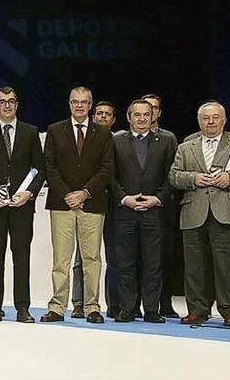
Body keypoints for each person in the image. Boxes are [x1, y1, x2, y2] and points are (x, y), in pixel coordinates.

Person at [169, 101, 230, 326]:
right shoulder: (186, 145)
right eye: (206, 118)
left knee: (226, 265)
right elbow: (174, 176)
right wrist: (194, 179)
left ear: (224, 119)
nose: (210, 122)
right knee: (194, 266)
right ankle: (198, 310)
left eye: (215, 117)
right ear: (199, 121)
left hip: (225, 210)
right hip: (193, 212)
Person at [0, 87, 45, 323]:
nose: (6, 105)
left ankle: (23, 307)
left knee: (21, 257)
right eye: (2, 102)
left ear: (17, 104)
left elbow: (40, 170)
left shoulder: (30, 132)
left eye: (11, 101)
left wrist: (29, 194)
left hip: (21, 207)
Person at [41, 86, 114, 324]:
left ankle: (92, 306)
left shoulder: (102, 133)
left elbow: (106, 168)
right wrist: (67, 195)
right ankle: (58, 306)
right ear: (69, 104)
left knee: (92, 258)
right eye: (75, 102)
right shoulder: (55, 130)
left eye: (84, 102)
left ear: (90, 105)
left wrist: (84, 193)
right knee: (61, 259)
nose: (80, 106)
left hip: (92, 203)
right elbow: (49, 167)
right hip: (62, 204)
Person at [110, 100, 176, 323]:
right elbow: (109, 175)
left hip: (153, 213)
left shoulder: (166, 141)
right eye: (136, 115)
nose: (141, 119)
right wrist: (124, 198)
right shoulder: (116, 141)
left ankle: (151, 309)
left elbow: (172, 176)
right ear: (129, 117)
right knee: (125, 262)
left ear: (152, 117)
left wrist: (157, 199)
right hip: (125, 212)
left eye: (145, 114)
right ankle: (128, 308)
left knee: (152, 263)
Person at [71, 100, 120, 318]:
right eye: (99, 113)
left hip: (116, 205)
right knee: (82, 257)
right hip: (89, 202)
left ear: (114, 119)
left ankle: (114, 303)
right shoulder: (84, 137)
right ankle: (79, 302)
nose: (102, 117)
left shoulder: (119, 140)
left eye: (107, 114)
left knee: (112, 257)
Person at [142, 93, 181, 318]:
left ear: (158, 112)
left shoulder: (168, 138)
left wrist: (161, 197)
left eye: (154, 108)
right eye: (146, 108)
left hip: (163, 206)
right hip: (134, 205)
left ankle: (164, 303)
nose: (150, 112)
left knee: (163, 257)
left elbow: (172, 172)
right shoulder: (126, 137)